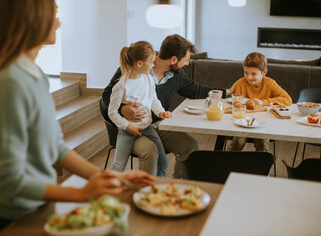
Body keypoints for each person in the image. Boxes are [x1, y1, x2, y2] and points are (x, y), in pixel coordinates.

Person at [0, 0, 153, 235]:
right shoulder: (9, 83)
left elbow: (53, 147)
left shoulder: (33, 74)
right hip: (6, 219)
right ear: (34, 18)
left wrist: (109, 179)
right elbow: (7, 181)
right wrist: (82, 194)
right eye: (54, 13)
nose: (59, 22)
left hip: (34, 206)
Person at [102, 34, 234, 178]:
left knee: (190, 146)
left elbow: (197, 90)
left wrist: (227, 92)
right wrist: (123, 108)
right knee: (151, 151)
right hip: (130, 128)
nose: (188, 63)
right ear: (173, 59)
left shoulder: (177, 76)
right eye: (186, 60)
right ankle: (146, 191)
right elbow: (106, 97)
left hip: (157, 125)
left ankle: (174, 185)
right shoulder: (133, 67)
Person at [109, 41, 172, 177]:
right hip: (127, 132)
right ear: (139, 63)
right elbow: (112, 112)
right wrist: (127, 127)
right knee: (118, 166)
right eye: (151, 62)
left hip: (147, 128)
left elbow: (153, 100)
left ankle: (156, 189)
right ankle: (107, 189)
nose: (153, 65)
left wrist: (160, 111)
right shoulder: (121, 86)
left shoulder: (148, 79)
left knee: (164, 162)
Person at [226, 52, 292, 152]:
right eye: (246, 72)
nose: (248, 77)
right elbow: (236, 104)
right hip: (243, 122)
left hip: (264, 124)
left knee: (262, 143)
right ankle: (225, 164)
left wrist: (263, 102)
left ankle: (260, 166)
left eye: (253, 74)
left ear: (264, 72)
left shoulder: (270, 83)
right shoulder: (240, 83)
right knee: (238, 142)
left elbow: (287, 99)